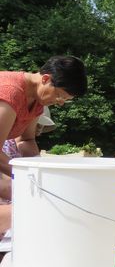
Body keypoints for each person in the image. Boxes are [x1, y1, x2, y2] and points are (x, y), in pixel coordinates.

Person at [0, 56, 87, 200]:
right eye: (59, 96)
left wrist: (42, 168)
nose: (60, 103)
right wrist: (30, 177)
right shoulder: (11, 92)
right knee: (17, 192)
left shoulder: (37, 100)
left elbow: (26, 140)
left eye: (65, 100)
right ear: (45, 79)